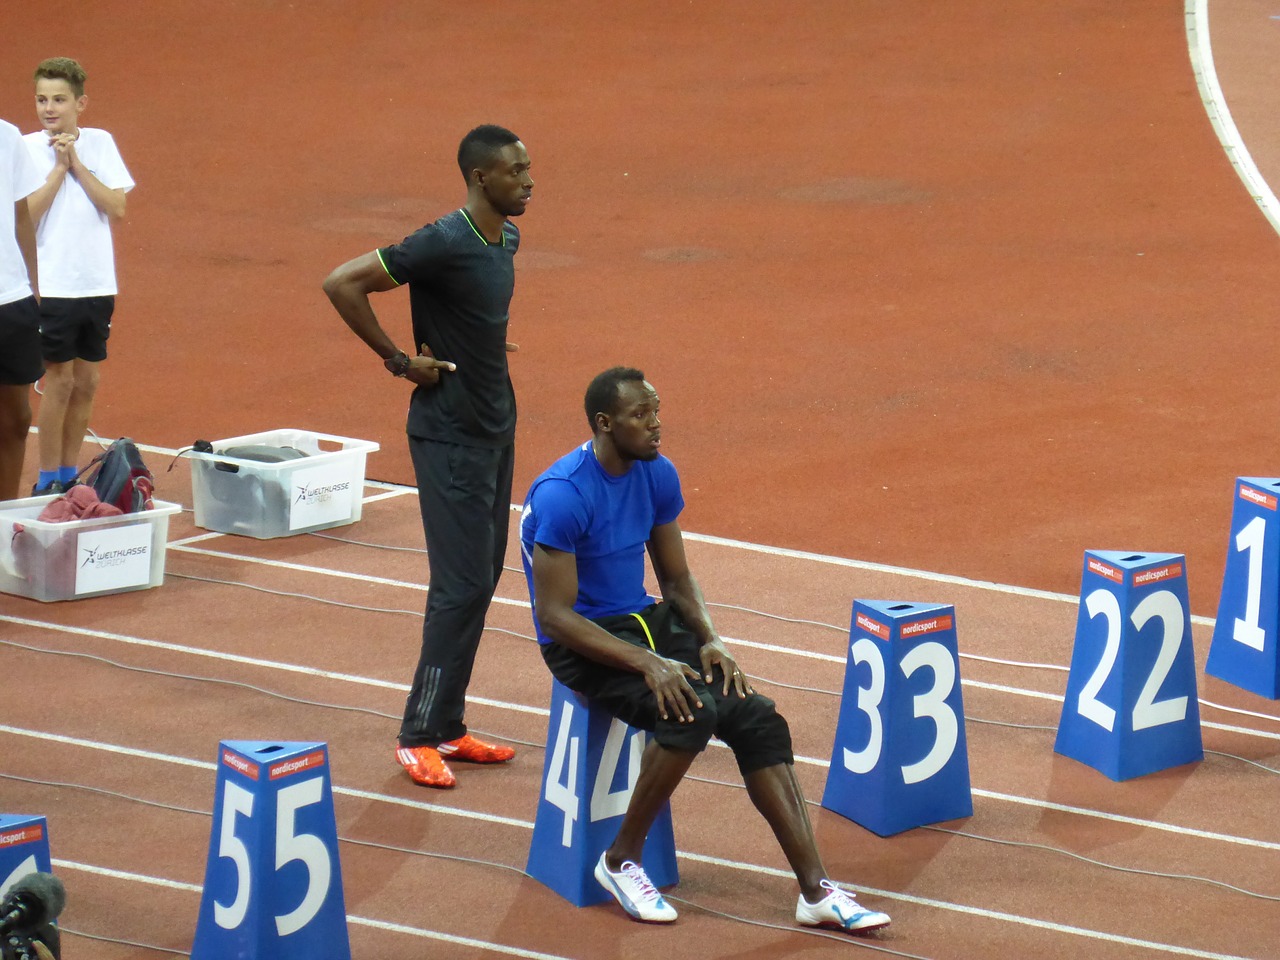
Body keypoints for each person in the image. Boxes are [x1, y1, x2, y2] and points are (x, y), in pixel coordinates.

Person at [519, 367, 892, 933]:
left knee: (759, 719)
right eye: (640, 416)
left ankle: (815, 890)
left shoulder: (655, 473)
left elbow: (675, 578)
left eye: (657, 411)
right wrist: (650, 663)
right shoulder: (562, 497)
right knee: (693, 712)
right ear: (603, 424)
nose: (655, 425)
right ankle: (619, 861)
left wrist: (710, 638)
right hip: (583, 641)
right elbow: (555, 616)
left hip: (646, 620)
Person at [322, 124, 534, 789]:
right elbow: (342, 283)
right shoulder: (443, 240)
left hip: (496, 429)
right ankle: (418, 735)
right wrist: (398, 360)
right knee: (459, 585)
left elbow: (474, 314)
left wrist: (487, 347)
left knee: (484, 578)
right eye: (517, 171)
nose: (529, 180)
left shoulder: (506, 237)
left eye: (529, 169)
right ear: (481, 178)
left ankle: (449, 725)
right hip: (448, 435)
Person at [24, 57, 134, 495]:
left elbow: (117, 206)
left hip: (97, 283)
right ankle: (47, 479)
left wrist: (77, 164)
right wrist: (57, 169)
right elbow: (26, 216)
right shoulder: (25, 149)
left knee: (87, 381)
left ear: (80, 103)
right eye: (41, 99)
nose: (49, 108)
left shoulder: (101, 143)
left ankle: (70, 476)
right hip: (53, 284)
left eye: (58, 99)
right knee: (59, 381)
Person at [0, 116, 44, 503]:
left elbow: (21, 216)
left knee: (16, 420)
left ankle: (2, 525)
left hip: (11, 298)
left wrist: (34, 287)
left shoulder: (7, 137)